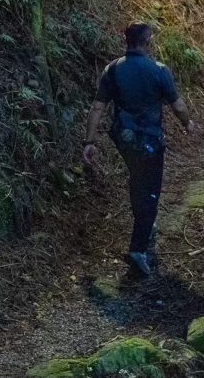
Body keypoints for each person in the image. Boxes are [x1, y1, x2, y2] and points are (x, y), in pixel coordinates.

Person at [82, 21, 197, 276]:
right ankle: (138, 249)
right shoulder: (159, 70)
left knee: (137, 180)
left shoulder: (112, 69)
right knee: (151, 191)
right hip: (150, 142)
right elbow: (178, 106)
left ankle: (145, 224)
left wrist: (89, 142)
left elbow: (98, 107)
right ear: (148, 42)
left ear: (126, 40)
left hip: (123, 140)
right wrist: (187, 123)